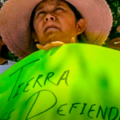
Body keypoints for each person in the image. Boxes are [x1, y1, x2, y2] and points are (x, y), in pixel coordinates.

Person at [0, 0, 113, 59]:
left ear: (79, 26)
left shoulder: (109, 62)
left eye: (59, 9)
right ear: (34, 35)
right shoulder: (19, 79)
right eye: (41, 12)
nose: (49, 16)